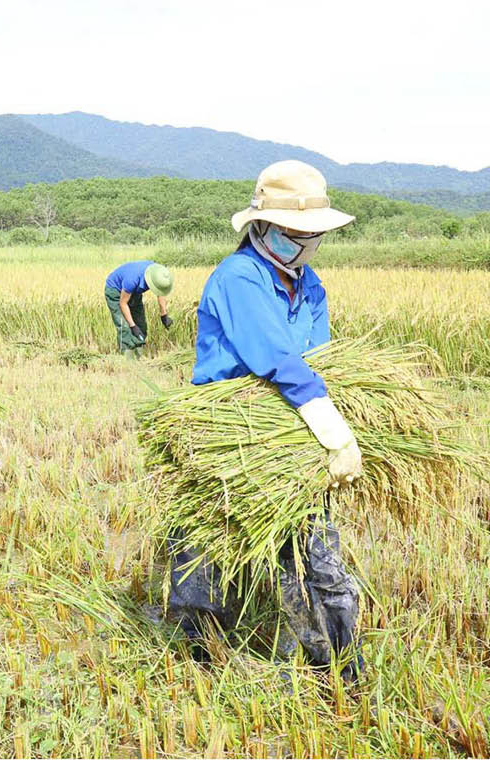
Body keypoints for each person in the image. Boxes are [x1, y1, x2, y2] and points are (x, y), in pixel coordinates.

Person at [167, 160, 365, 680]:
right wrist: (331, 428)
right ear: (263, 227)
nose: (304, 243)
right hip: (228, 434)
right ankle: (197, 666)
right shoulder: (238, 278)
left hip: (288, 433)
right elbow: (275, 356)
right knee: (208, 553)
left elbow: (321, 357)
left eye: (311, 235)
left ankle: (339, 674)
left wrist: (325, 422)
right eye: (294, 233)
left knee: (316, 559)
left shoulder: (310, 284)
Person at [103, 260, 174, 358]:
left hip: (135, 293)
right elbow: (123, 303)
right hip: (116, 291)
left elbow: (160, 292)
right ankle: (127, 359)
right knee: (124, 327)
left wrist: (164, 315)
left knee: (141, 325)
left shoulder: (158, 273)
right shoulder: (132, 280)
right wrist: (132, 326)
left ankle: (139, 356)